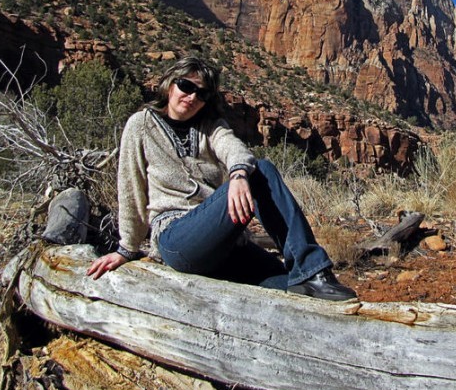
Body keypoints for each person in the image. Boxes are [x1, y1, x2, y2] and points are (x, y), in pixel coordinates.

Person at [87, 56, 356, 301]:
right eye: (186, 86)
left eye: (202, 93)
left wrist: (238, 173)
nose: (192, 97)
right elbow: (130, 188)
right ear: (170, 84)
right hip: (177, 239)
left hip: (223, 245)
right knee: (260, 171)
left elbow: (233, 148)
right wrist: (127, 248)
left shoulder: (210, 126)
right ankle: (313, 269)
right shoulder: (141, 124)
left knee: (290, 284)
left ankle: (309, 275)